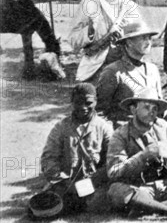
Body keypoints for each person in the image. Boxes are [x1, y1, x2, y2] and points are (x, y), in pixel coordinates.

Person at [106, 88, 167, 222]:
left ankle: (146, 208)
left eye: (155, 109)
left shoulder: (163, 127)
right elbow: (114, 172)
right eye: (146, 107)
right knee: (116, 191)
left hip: (164, 185)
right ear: (134, 110)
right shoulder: (120, 135)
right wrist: (143, 156)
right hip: (138, 188)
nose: (151, 112)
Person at [38, 83, 113, 215]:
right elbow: (48, 159)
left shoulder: (104, 128)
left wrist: (94, 180)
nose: (83, 107)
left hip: (94, 184)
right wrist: (62, 180)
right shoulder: (61, 128)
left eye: (88, 103)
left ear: (95, 102)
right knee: (46, 205)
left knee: (97, 203)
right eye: (78, 102)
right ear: (72, 103)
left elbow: (113, 160)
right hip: (66, 184)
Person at [69, 0, 138, 83]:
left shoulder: (130, 6)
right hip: (97, 68)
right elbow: (73, 40)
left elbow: (140, 37)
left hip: (125, 69)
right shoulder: (90, 3)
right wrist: (89, 31)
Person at [96, 19, 163, 127]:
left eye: (149, 38)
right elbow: (99, 113)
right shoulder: (113, 71)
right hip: (124, 136)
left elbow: (159, 108)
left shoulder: (153, 70)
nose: (148, 42)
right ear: (129, 42)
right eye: (143, 38)